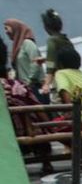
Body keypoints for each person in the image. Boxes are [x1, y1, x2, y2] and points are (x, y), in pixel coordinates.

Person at [1, 38, 53, 174]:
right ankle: (46, 161)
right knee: (36, 122)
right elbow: (38, 109)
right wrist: (50, 127)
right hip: (32, 135)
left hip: (7, 138)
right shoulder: (18, 85)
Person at [2, 19, 44, 98]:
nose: (6, 32)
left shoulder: (27, 43)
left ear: (15, 28)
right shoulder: (18, 48)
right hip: (25, 89)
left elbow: (36, 62)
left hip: (34, 87)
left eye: (7, 28)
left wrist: (29, 82)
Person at [40, 9, 75, 102]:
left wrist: (46, 84)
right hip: (73, 78)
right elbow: (63, 56)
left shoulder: (52, 40)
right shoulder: (66, 40)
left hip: (61, 80)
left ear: (46, 27)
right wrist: (44, 59)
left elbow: (51, 65)